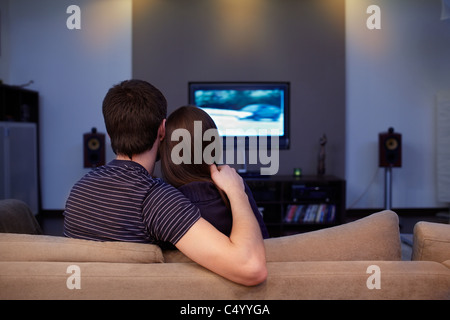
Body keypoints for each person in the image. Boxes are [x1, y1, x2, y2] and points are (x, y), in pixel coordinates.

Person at [63, 80, 267, 286]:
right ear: (162, 130)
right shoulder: (155, 199)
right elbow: (251, 268)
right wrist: (236, 190)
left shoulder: (78, 191)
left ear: (109, 134)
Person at [160, 105, 269, 239]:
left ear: (166, 153)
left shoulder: (163, 205)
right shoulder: (236, 189)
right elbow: (264, 243)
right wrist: (238, 191)